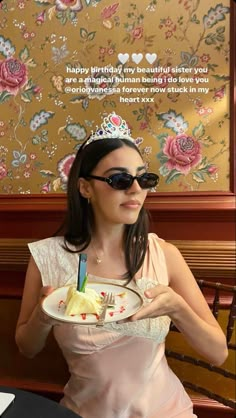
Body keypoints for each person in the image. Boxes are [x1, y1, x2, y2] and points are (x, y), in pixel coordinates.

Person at [15, 112, 228, 418]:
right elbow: (27, 347)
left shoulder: (164, 254)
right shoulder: (47, 258)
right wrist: (44, 314)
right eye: (120, 179)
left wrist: (177, 308)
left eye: (143, 178)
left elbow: (217, 353)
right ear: (86, 187)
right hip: (83, 413)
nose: (135, 189)